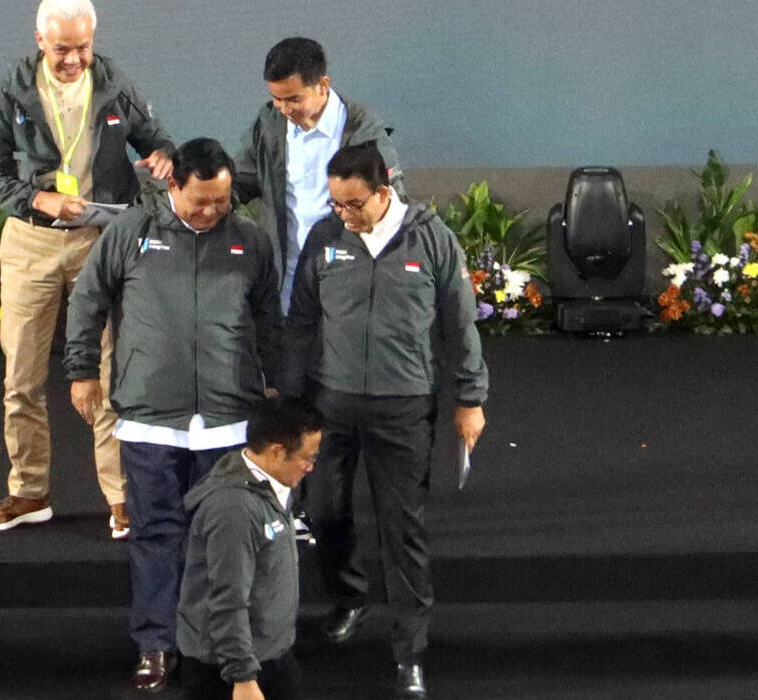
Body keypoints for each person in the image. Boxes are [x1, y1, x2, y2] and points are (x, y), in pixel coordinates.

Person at [64, 138, 282, 693]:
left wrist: (278, 388)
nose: (212, 211)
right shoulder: (131, 233)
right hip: (148, 418)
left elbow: (270, 323)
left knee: (220, 539)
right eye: (200, 201)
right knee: (156, 534)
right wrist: (83, 371)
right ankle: (156, 645)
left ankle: (215, 646)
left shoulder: (250, 241)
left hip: (229, 419)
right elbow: (88, 300)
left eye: (222, 201)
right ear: (173, 186)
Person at [280, 143, 488, 700]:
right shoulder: (325, 238)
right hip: (331, 404)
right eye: (335, 204)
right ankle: (349, 596)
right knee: (323, 511)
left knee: (403, 530)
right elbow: (301, 323)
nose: (342, 215)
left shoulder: (432, 241)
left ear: (383, 192)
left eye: (353, 205)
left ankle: (410, 652)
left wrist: (470, 399)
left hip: (403, 406)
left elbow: (460, 326)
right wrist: (292, 399)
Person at [0, 0, 174, 537]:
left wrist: (163, 158)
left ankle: (121, 498)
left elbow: (158, 141)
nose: (74, 59)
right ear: (40, 40)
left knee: (111, 372)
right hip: (32, 243)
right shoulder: (8, 88)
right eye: (62, 49)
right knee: (22, 377)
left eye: (82, 47)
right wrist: (38, 201)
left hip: (102, 243)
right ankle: (28, 492)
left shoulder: (113, 82)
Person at [233, 37, 406, 315]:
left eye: (294, 99)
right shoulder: (268, 125)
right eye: (277, 99)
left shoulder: (365, 132)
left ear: (323, 85)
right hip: (284, 284)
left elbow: (395, 208)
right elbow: (241, 180)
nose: (285, 109)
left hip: (348, 281)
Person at [176, 396, 323, 700]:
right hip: (227, 671)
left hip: (269, 655)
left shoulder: (269, 484)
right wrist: (242, 677)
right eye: (307, 458)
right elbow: (227, 598)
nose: (311, 467)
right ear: (276, 452)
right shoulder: (235, 510)